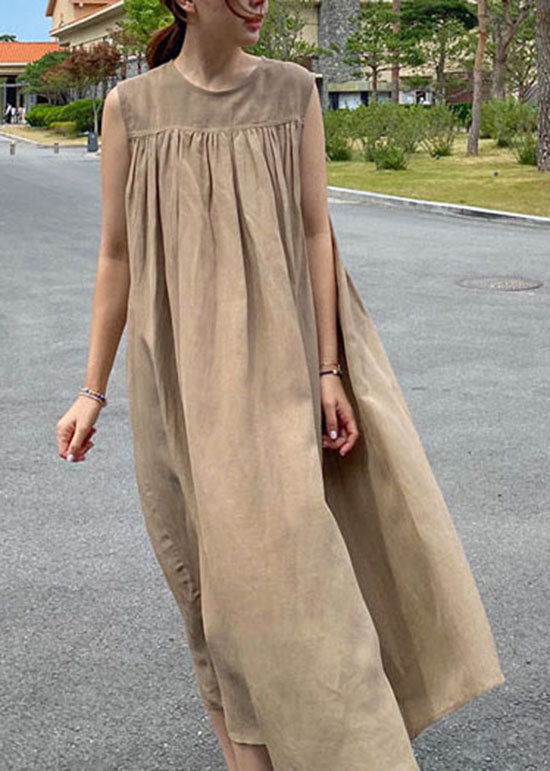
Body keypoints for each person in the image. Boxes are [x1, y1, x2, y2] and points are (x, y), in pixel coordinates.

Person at [55, 1, 505, 769]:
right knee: (212, 592)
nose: (260, 0)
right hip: (179, 383)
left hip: (283, 367)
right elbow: (117, 256)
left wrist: (329, 369)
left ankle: (364, 748)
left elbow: (314, 229)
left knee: (302, 577)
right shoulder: (132, 107)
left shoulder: (292, 91)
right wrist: (91, 390)